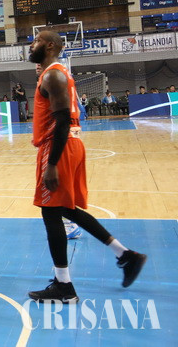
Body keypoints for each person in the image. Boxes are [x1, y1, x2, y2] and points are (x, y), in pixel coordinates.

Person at [26, 31, 146, 303]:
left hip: (59, 146)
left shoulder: (53, 76)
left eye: (36, 41)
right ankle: (126, 255)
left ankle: (64, 286)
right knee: (66, 209)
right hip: (69, 144)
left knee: (50, 212)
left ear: (50, 46)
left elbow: (62, 121)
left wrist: (52, 164)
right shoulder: (53, 74)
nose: (31, 46)